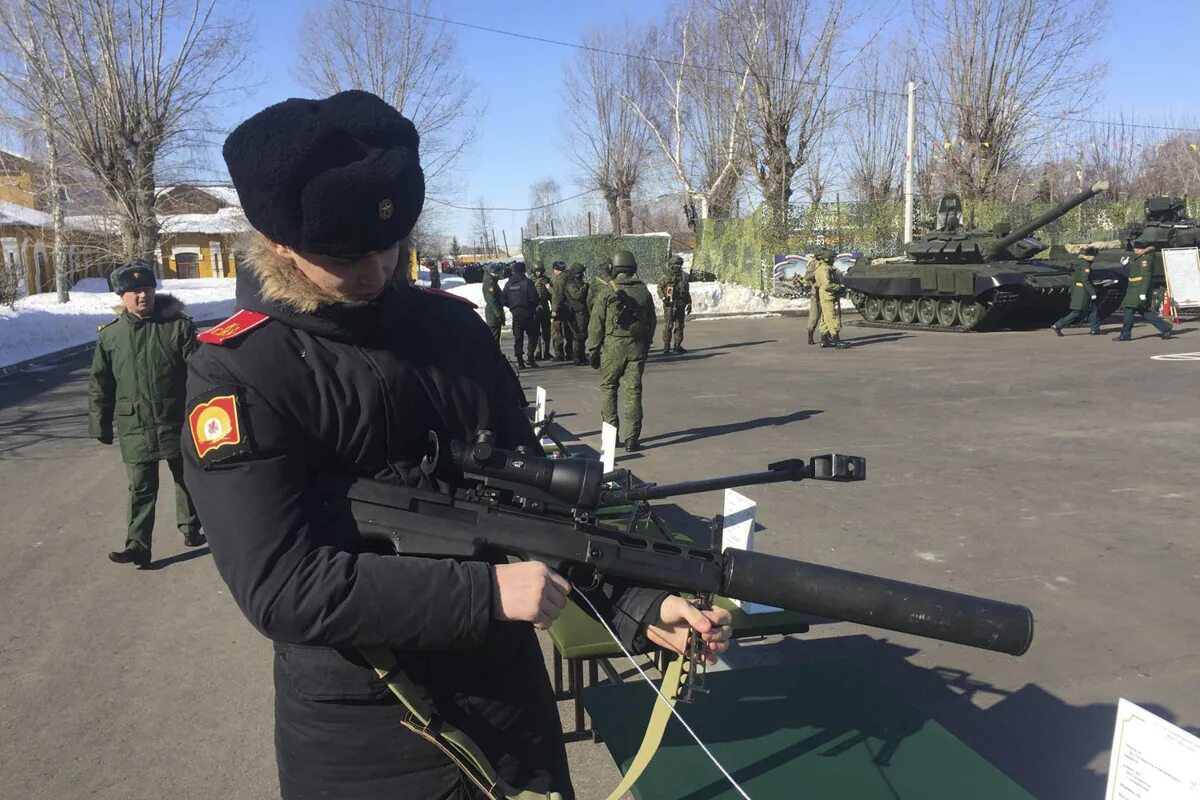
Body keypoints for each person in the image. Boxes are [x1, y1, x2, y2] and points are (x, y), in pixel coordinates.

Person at [183, 90, 731, 800]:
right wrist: (487, 590)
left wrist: (637, 604)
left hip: (507, 703)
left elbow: (532, 505)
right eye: (345, 255)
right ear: (280, 242)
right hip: (365, 731)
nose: (377, 272)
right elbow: (283, 586)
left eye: (390, 244)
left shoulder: (456, 333)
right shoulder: (240, 368)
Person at [88, 262, 205, 568]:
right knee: (141, 487)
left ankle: (191, 526)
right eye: (135, 291)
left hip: (177, 418)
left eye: (147, 289)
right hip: (135, 423)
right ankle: (138, 545)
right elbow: (101, 383)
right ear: (122, 296)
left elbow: (201, 372)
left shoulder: (178, 327)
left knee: (186, 477)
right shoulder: (111, 337)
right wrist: (99, 422)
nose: (143, 296)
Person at [586, 249, 657, 452]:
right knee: (633, 391)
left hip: (612, 347)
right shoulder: (643, 291)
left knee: (609, 388)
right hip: (636, 347)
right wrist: (646, 343)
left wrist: (593, 349)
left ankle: (611, 436)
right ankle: (632, 438)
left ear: (613, 268)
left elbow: (596, 324)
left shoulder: (607, 292)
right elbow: (651, 321)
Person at [1114, 242, 1174, 342]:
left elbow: (1146, 277)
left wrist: (1143, 292)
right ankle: (1165, 328)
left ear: (1142, 249)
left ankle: (1125, 334)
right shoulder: (1139, 258)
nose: (1134, 250)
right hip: (1133, 288)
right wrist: (1126, 264)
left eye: (1137, 248)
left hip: (1138, 289)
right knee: (1144, 312)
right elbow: (1135, 271)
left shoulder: (1146, 259)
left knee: (1129, 310)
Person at [1050, 246, 1102, 336]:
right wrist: (1092, 292)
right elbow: (1085, 280)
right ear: (1089, 256)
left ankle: (1095, 329)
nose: (1095, 257)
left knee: (1093, 309)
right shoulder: (1086, 265)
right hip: (1083, 292)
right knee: (1077, 312)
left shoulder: (1080, 262)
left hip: (1079, 290)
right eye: (1094, 255)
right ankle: (1058, 325)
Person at [502, 261, 541, 368]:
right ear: (523, 270)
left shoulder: (508, 284)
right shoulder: (527, 282)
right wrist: (531, 308)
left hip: (516, 314)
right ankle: (530, 358)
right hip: (528, 313)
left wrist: (512, 307)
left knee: (518, 338)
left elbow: (503, 299)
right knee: (533, 336)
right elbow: (534, 298)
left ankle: (520, 361)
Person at [812, 248, 848, 349]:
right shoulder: (824, 269)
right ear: (827, 258)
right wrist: (839, 288)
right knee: (831, 317)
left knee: (825, 318)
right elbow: (826, 285)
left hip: (827, 295)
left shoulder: (825, 267)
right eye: (832, 258)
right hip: (827, 296)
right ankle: (836, 340)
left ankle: (825, 340)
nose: (834, 260)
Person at [657, 255, 692, 354]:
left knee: (680, 325)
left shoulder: (684, 277)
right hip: (669, 303)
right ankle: (666, 345)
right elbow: (659, 288)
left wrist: (689, 303)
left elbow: (686, 291)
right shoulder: (666, 276)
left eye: (679, 265)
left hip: (681, 303)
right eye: (676, 265)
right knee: (668, 325)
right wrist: (664, 298)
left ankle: (677, 345)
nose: (678, 267)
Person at [562, 263, 591, 365]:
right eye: (580, 273)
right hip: (576, 313)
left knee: (583, 335)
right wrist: (585, 287)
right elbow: (577, 295)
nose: (582, 275)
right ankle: (578, 357)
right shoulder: (571, 284)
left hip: (581, 312)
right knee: (578, 336)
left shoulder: (578, 282)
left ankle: (581, 356)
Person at [531, 264, 553, 360]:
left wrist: (553, 308)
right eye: (536, 271)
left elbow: (552, 296)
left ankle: (546, 351)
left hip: (545, 308)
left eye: (539, 270)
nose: (537, 272)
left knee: (546, 332)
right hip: (535, 309)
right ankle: (538, 352)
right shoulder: (530, 281)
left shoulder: (546, 280)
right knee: (536, 332)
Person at [548, 261, 569, 361]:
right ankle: (570, 353)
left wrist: (554, 310)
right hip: (568, 309)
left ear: (556, 269)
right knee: (568, 331)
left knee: (556, 332)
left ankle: (559, 354)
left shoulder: (559, 279)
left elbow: (557, 295)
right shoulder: (570, 276)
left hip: (560, 309)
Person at [481, 261, 506, 343]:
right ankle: (494, 355)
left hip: (495, 315)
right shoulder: (490, 284)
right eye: (498, 272)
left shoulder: (493, 282)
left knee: (496, 339)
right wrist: (499, 315)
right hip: (493, 316)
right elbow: (492, 301)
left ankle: (496, 354)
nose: (500, 273)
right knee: (494, 341)